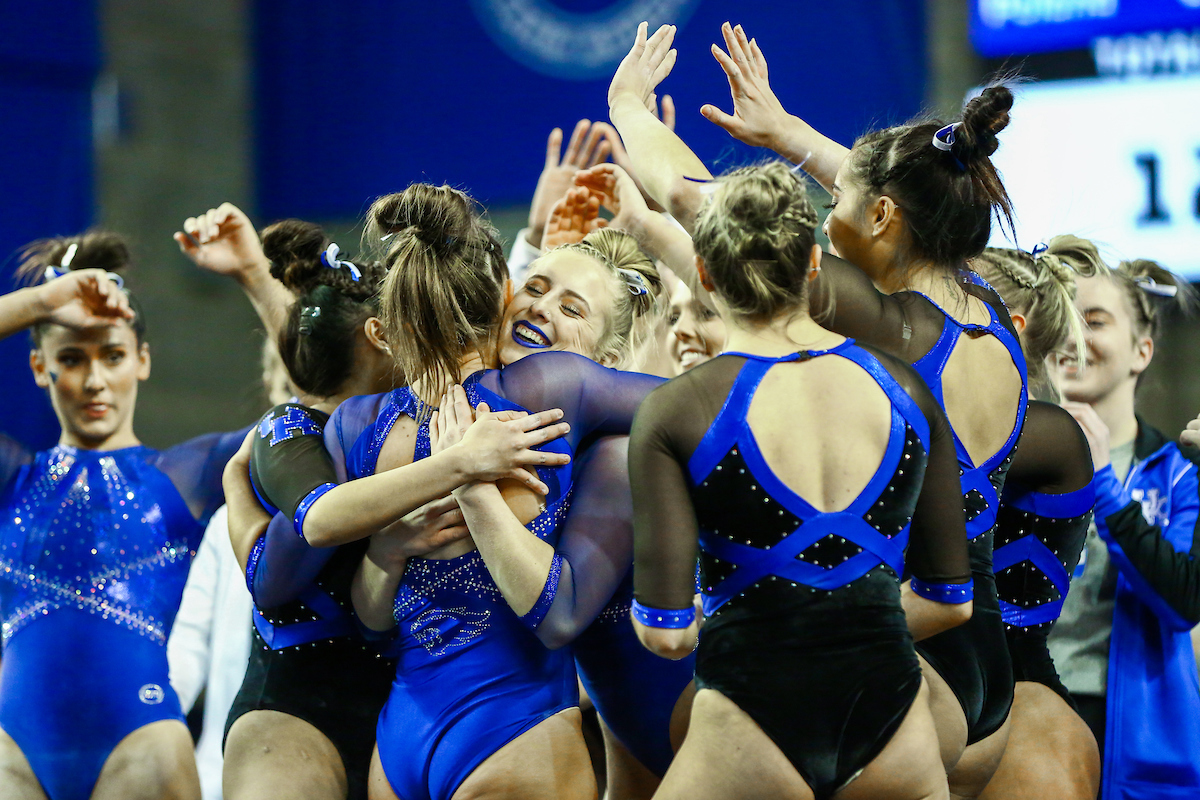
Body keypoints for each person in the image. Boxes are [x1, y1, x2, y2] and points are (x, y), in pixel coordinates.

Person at [607, 22, 1026, 794]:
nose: (826, 212)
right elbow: (909, 194)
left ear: (882, 218)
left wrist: (627, 107)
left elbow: (708, 214)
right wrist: (788, 134)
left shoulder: (882, 324)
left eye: (836, 198)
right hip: (979, 656)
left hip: (900, 650)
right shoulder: (988, 308)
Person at [629, 160, 973, 800]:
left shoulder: (677, 410)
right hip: (893, 719)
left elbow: (667, 633)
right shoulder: (906, 389)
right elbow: (952, 600)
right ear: (814, 264)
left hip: (747, 720)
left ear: (704, 273)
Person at [317, 182, 666, 800]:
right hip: (510, 725)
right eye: (534, 287)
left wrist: (398, 540)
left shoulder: (356, 425)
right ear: (503, 294)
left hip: (402, 742)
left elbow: (369, 622)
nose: (542, 308)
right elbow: (717, 398)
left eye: (572, 309)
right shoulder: (552, 386)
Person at [0, 233, 248, 800]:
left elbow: (313, 413)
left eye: (112, 356)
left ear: (142, 360)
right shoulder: (12, 481)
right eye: (71, 359)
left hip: (143, 750)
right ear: (39, 366)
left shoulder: (184, 475)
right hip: (11, 754)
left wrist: (256, 277)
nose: (94, 382)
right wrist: (39, 303)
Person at [1046, 258, 1200, 800]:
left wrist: (1106, 487)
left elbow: (1182, 601)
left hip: (1135, 749)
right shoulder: (1007, 463)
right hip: (1025, 724)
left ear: (1142, 351)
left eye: (1094, 320)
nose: (1073, 336)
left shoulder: (1181, 474)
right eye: (1063, 318)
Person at [970, 240, 1106, 800]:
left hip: (1023, 711)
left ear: (1007, 325)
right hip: (945, 692)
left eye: (943, 303)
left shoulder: (1047, 432)